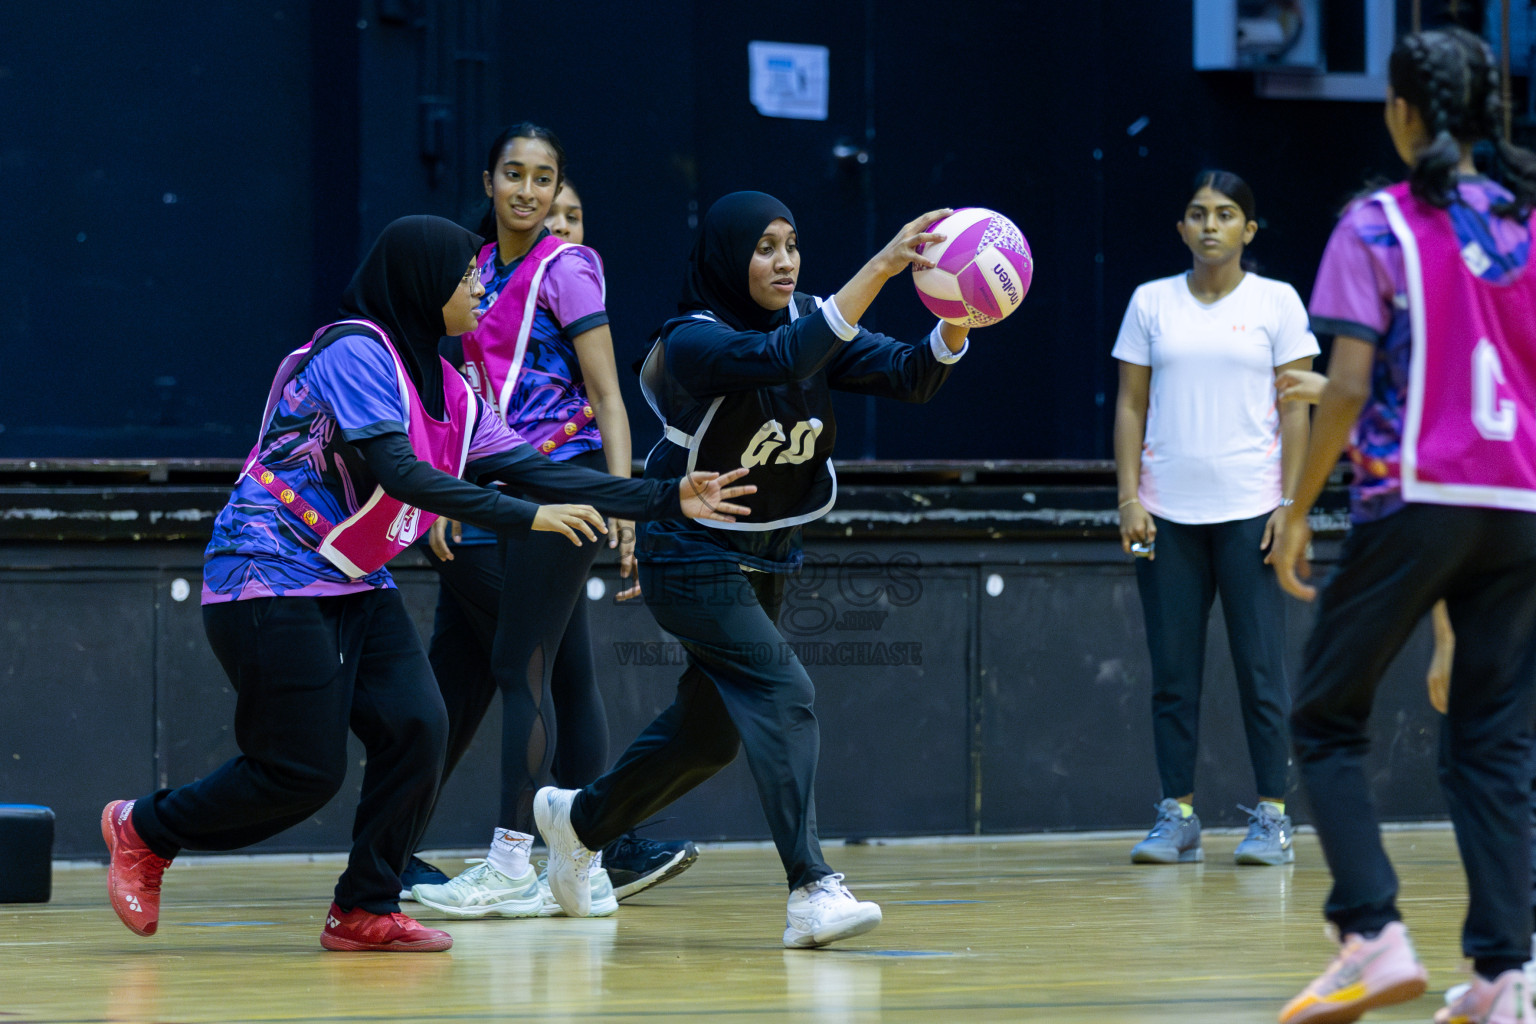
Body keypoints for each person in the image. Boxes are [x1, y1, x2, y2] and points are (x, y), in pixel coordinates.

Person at [99, 215, 753, 951]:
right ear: (423, 283)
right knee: (300, 774)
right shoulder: (354, 350)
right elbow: (403, 472)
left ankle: (364, 906)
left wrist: (666, 497)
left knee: (419, 726)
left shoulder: (451, 389)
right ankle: (145, 827)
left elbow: (534, 467)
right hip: (268, 575)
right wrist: (528, 517)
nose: (481, 289)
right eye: (468, 276)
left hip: (353, 579)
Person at [532, 190, 973, 948]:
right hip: (688, 551)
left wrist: (960, 312)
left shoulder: (810, 317)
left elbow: (911, 374)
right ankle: (812, 889)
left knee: (708, 737)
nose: (784, 260)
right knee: (783, 689)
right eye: (765, 247)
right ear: (728, 257)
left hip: (766, 552)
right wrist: (880, 267)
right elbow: (786, 357)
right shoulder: (691, 341)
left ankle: (579, 823)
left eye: (792, 244)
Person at [1270, 26, 1536, 1023]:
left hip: (1419, 497)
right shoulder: (1529, 222)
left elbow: (1345, 385)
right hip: (1522, 505)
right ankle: (1506, 975)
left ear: (1401, 111)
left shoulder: (1377, 222)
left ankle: (1371, 932)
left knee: (1325, 715)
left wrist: (1298, 507)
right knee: (1494, 743)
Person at [405, 128, 698, 919]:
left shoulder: (567, 266)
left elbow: (607, 396)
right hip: (492, 487)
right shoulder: (473, 266)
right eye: (514, 174)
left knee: (519, 665)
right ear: (488, 181)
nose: (528, 191)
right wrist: (442, 493)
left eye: (544, 178)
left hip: (561, 484)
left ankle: (512, 860)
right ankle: (586, 865)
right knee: (562, 670)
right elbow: (453, 395)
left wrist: (622, 501)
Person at [1112, 170, 1318, 867]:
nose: (1210, 225)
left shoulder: (1277, 302)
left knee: (1262, 673)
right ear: (1181, 228)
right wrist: (1129, 497)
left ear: (1248, 230)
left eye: (1226, 214)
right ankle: (1178, 817)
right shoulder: (1150, 301)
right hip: (1165, 516)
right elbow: (1131, 404)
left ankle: (1274, 818)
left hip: (1252, 514)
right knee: (1173, 675)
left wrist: (1290, 507)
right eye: (1198, 213)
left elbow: (1298, 411)